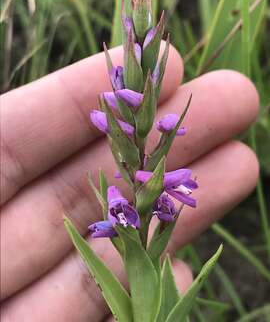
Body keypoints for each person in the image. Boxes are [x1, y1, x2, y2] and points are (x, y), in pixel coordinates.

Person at [0, 43, 259, 321]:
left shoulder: (151, 161)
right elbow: (124, 208)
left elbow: (174, 186)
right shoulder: (125, 200)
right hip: (134, 206)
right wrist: (126, 202)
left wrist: (150, 179)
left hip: (141, 195)